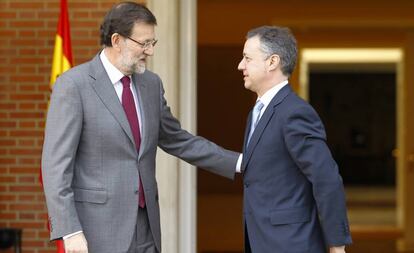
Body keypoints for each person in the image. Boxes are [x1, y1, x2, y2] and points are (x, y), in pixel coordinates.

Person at [41, 2, 240, 253]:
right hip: (96, 231)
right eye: (143, 43)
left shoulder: (151, 84)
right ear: (117, 40)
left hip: (146, 229)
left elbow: (178, 140)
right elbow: (55, 166)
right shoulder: (73, 85)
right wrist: (70, 231)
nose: (150, 51)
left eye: (152, 43)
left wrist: (238, 162)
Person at [237, 26, 352, 253]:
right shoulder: (256, 112)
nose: (240, 65)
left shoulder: (294, 112)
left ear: (272, 62)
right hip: (263, 240)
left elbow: (326, 177)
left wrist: (337, 245)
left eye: (247, 58)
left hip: (291, 243)